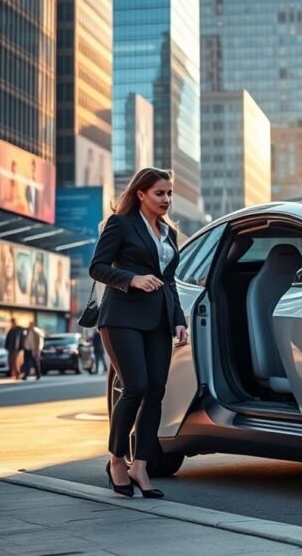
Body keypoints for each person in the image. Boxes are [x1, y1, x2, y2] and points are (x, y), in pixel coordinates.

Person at [89, 167, 189, 499]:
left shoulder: (169, 233)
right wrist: (132, 279)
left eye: (170, 193)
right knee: (135, 387)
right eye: (160, 193)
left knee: (156, 391)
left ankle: (141, 466)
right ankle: (117, 460)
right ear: (141, 194)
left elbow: (170, 282)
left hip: (158, 319)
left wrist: (179, 319)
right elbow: (98, 267)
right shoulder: (120, 224)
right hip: (122, 316)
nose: (167, 200)